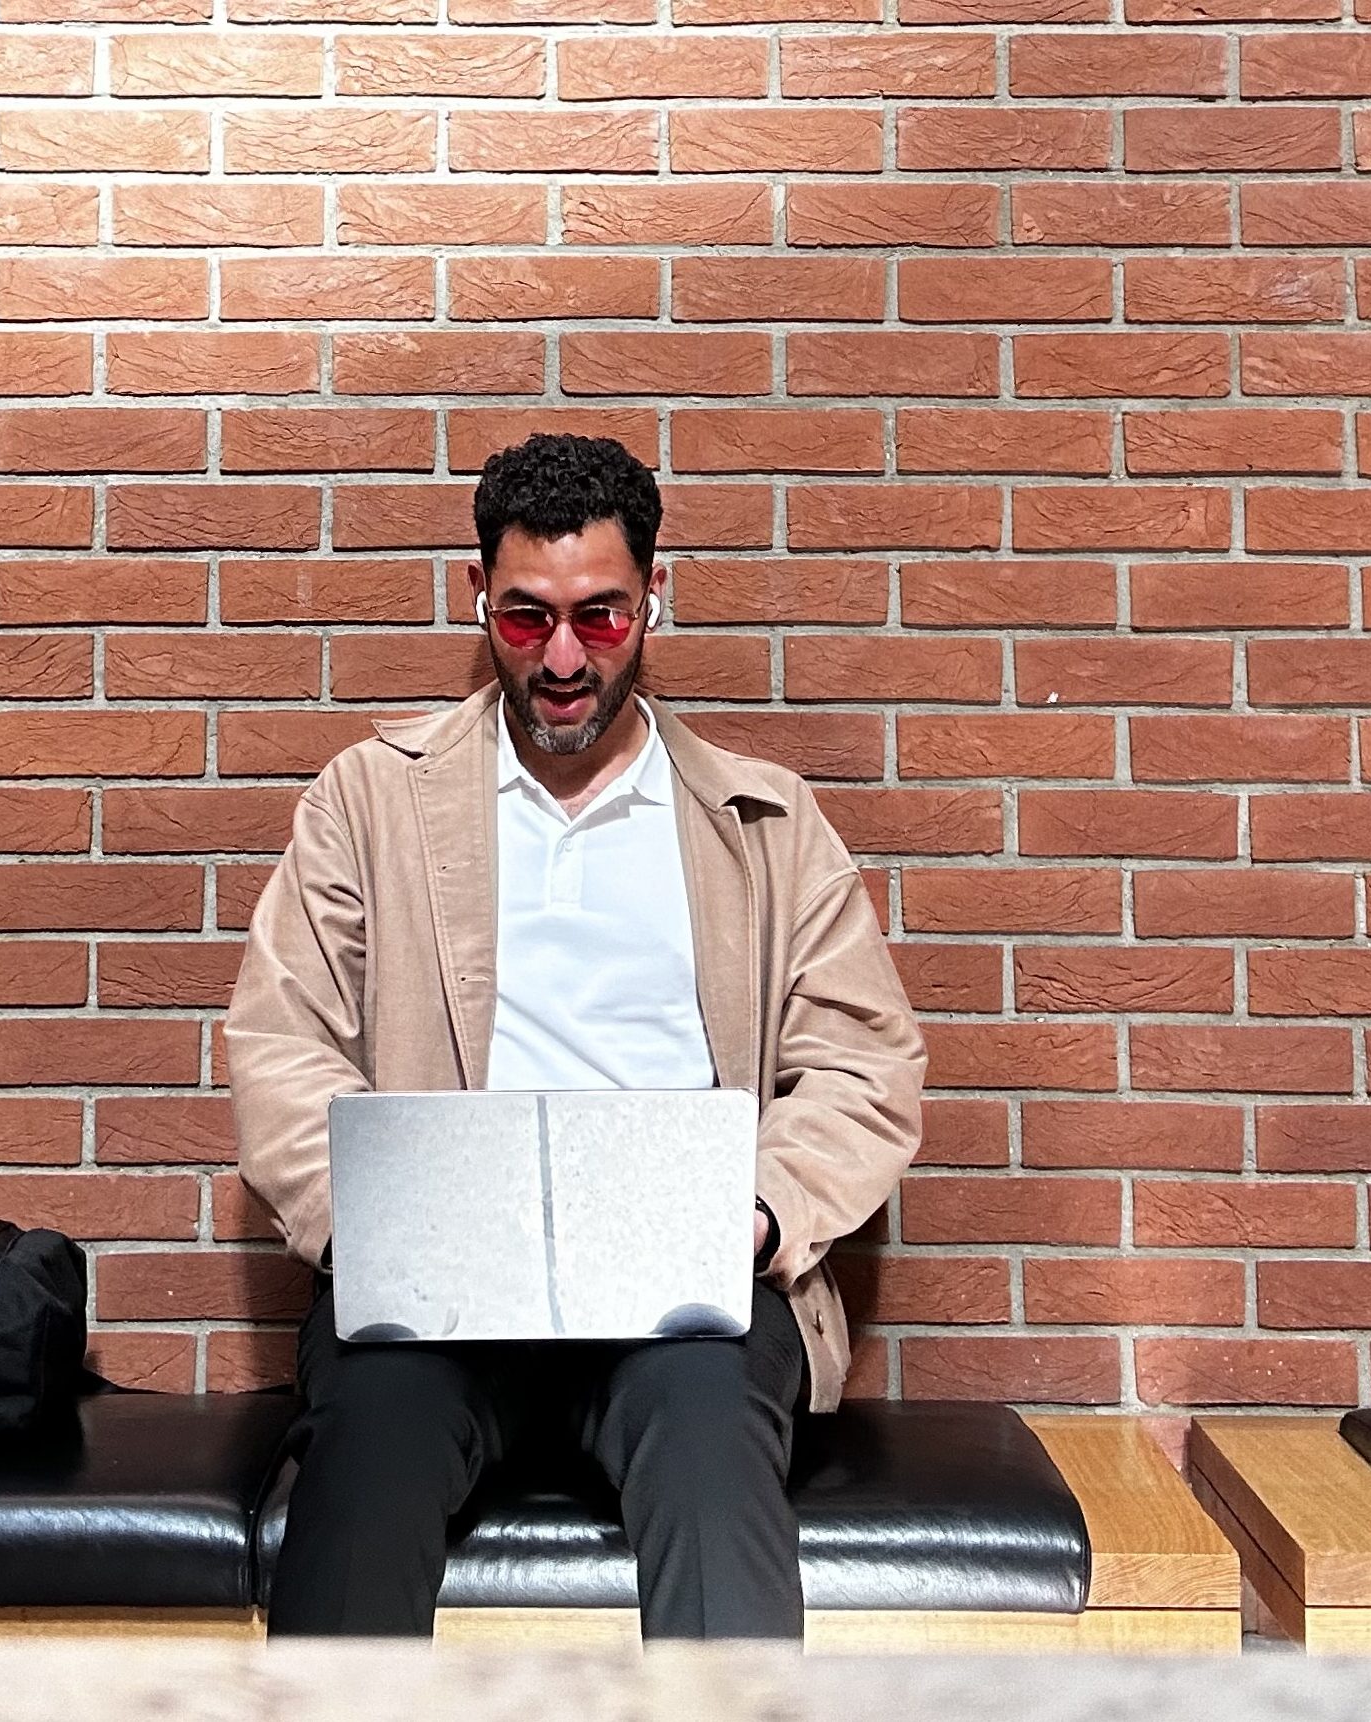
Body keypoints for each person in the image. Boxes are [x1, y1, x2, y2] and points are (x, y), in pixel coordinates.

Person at [226, 433, 925, 1639]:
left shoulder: (761, 822)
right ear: (475, 597)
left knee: (709, 1453)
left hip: (684, 1297)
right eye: (526, 617)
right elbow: (281, 1044)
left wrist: (754, 1217)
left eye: (599, 616)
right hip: (438, 1293)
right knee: (369, 1452)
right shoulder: (368, 801)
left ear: (654, 595)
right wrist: (381, 1227)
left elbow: (863, 1064)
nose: (561, 658)